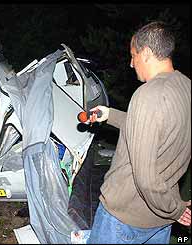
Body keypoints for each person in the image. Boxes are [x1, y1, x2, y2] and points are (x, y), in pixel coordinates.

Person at [86, 21, 191, 244]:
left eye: (133, 55)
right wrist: (109, 114)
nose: (131, 64)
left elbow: (145, 178)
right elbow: (159, 128)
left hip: (125, 216)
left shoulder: (148, 94)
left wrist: (175, 209)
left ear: (146, 53)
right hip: (159, 219)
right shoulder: (185, 86)